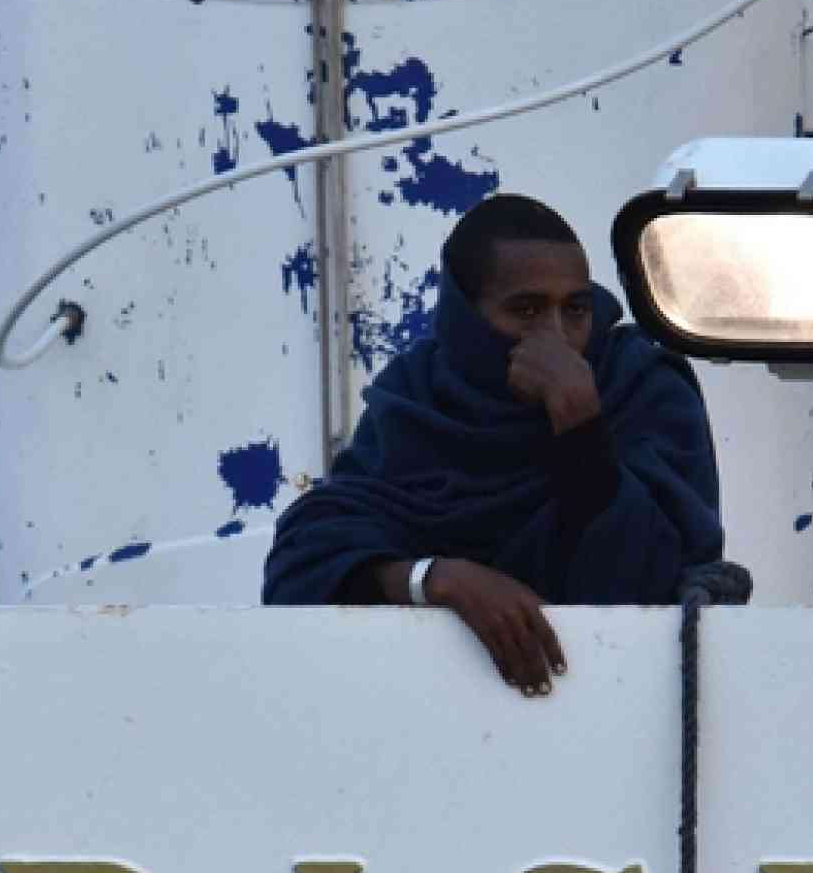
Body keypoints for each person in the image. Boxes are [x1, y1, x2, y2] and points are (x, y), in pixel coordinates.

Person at [263, 194, 729, 696]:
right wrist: (436, 580)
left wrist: (581, 426)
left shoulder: (639, 385)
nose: (556, 339)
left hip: (623, 698)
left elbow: (655, 578)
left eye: (575, 309)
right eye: (526, 310)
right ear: (464, 317)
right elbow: (303, 564)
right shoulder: (418, 401)